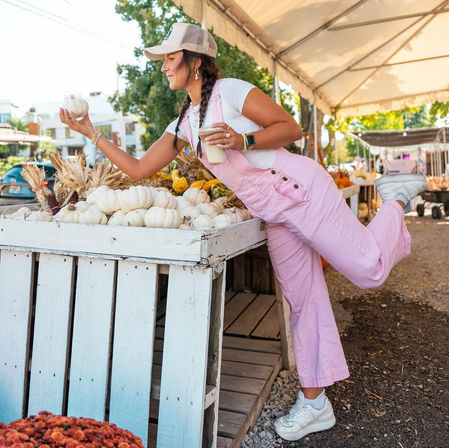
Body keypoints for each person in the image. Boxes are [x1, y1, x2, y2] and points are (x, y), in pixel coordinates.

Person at [60, 22, 427, 442]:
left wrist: (242, 139)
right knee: (303, 300)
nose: (163, 67)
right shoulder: (182, 120)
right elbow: (140, 168)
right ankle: (315, 403)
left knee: (368, 269)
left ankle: (396, 199)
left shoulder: (230, 91)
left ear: (195, 61)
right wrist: (91, 134)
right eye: (162, 60)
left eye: (171, 58)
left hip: (300, 190)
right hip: (274, 212)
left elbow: (290, 129)